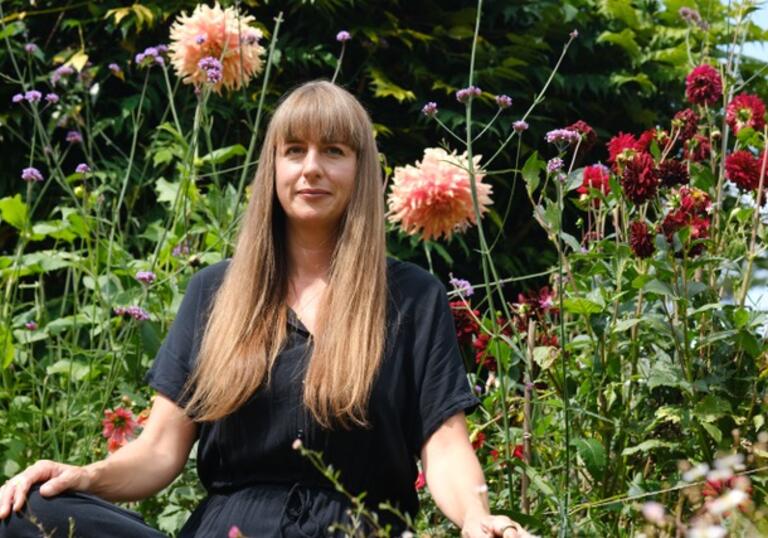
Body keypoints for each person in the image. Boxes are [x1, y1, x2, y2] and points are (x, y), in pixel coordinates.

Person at [0, 81, 528, 538]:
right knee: (28, 510)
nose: (311, 169)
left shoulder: (413, 296)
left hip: (352, 528)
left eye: (334, 151)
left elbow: (444, 446)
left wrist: (476, 517)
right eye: (294, 150)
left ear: (361, 169)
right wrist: (84, 476)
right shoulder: (214, 292)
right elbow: (159, 450)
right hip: (225, 529)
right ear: (272, 166)